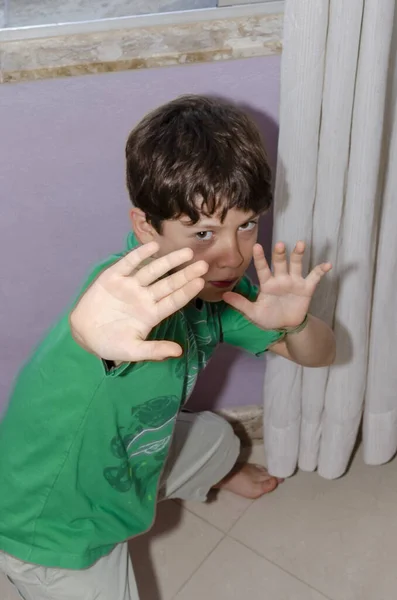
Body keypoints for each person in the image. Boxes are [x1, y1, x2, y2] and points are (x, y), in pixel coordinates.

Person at [0, 95, 336, 599]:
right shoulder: (121, 301)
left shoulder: (219, 289)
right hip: (51, 524)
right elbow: (89, 340)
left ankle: (212, 475)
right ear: (145, 227)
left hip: (129, 450)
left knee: (220, 441)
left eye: (245, 224)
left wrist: (296, 323)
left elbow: (320, 355)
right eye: (203, 232)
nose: (232, 255)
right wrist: (89, 345)